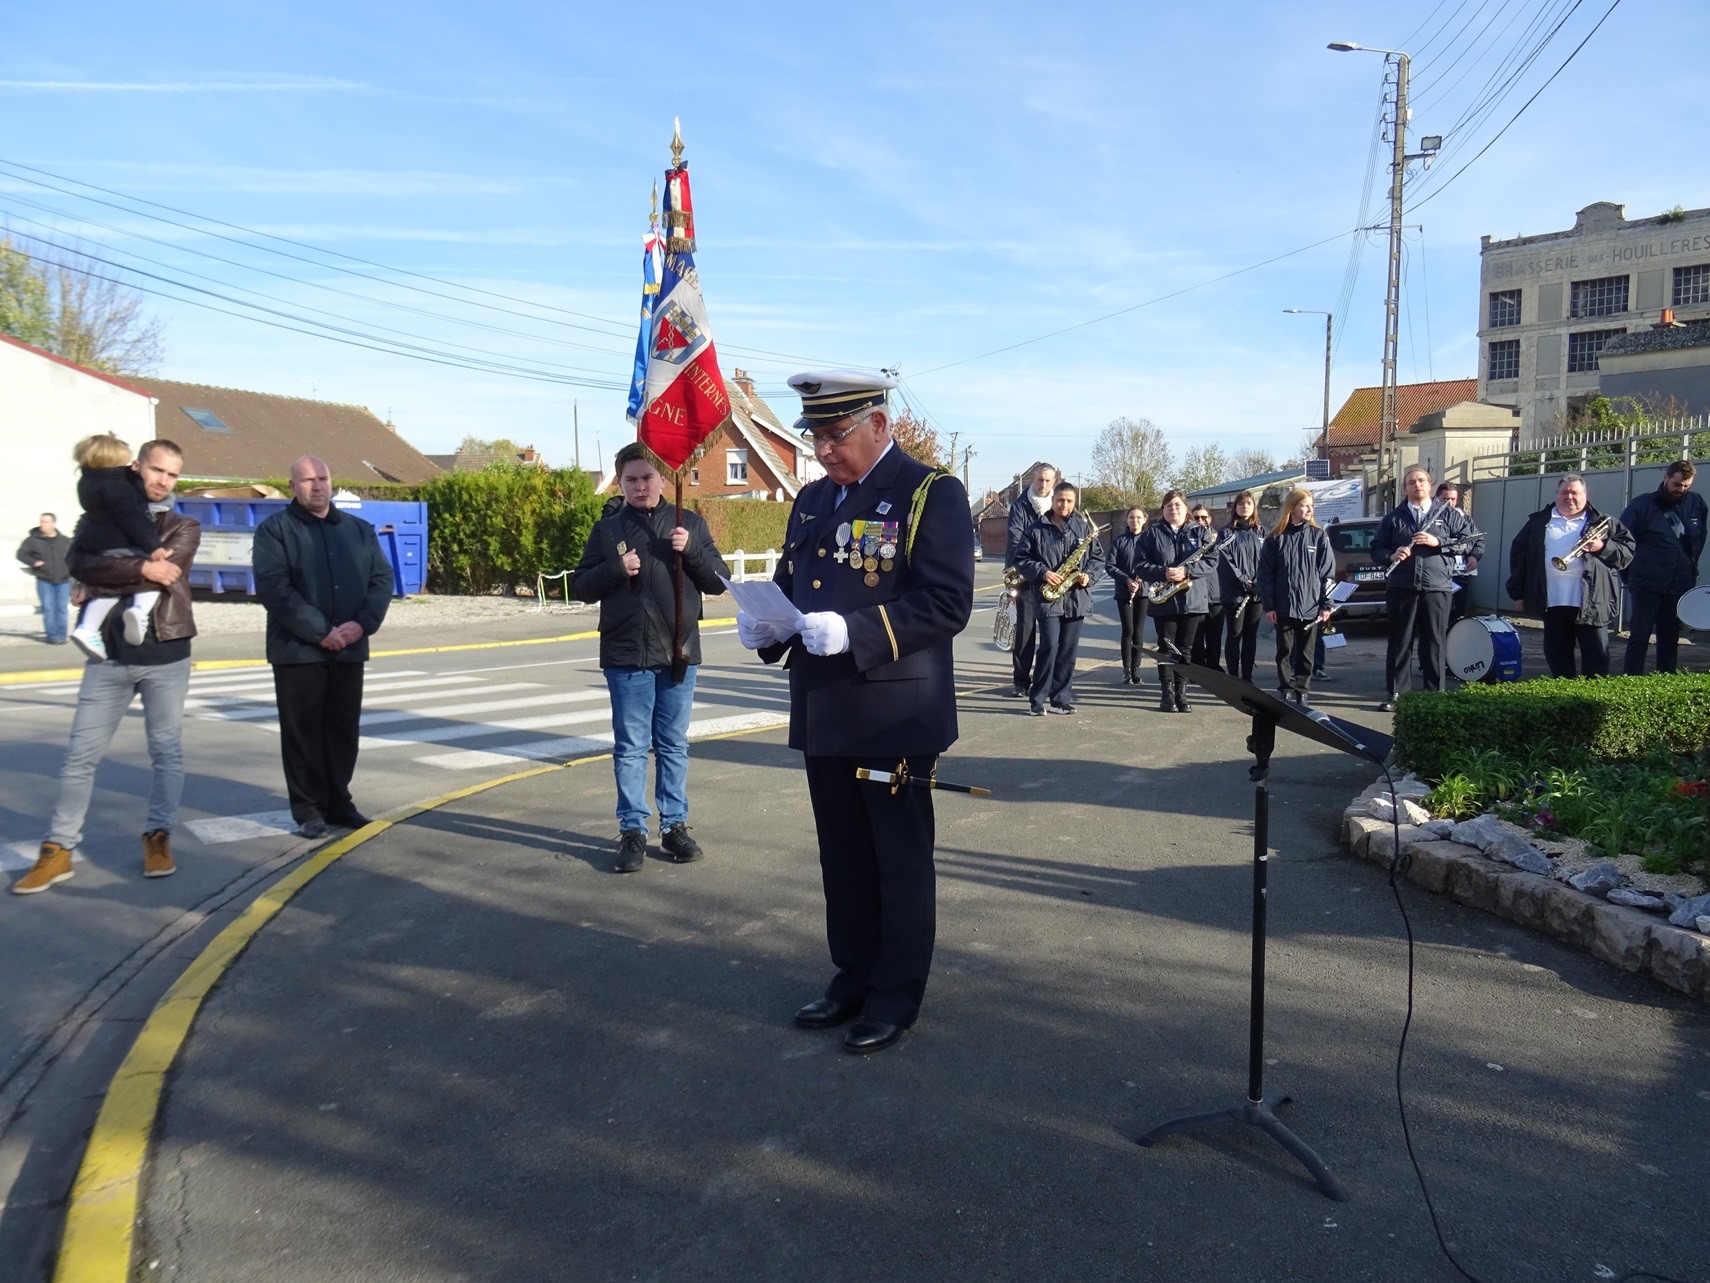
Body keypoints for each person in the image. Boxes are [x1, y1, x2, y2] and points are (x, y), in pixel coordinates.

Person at [736, 370, 973, 1055]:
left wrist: (857, 631)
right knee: (842, 855)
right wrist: (767, 627)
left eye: (835, 435)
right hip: (826, 709)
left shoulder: (931, 494)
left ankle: (896, 994)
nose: (822, 449)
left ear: (879, 424)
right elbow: (792, 584)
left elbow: (947, 601)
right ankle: (854, 975)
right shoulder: (811, 501)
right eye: (814, 435)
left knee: (896, 858)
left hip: (894, 713)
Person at [12, 440, 199, 894]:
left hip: (165, 654)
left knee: (166, 753)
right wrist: (112, 571)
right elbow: (76, 559)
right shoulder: (104, 509)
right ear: (137, 466)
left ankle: (158, 837)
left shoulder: (183, 525)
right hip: (105, 655)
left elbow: (165, 573)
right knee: (79, 756)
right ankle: (58, 850)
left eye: (173, 475)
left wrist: (95, 579)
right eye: (157, 470)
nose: (163, 481)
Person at [572, 442, 729, 872]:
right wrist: (615, 570)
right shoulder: (607, 530)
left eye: (647, 477)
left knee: (674, 745)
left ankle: (674, 826)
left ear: (663, 478)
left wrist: (691, 550)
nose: (640, 486)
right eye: (631, 480)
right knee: (630, 747)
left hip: (679, 651)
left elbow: (720, 583)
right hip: (626, 654)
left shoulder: (688, 523)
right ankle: (632, 831)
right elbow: (581, 585)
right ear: (620, 483)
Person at [253, 455, 395, 839]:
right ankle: (307, 809)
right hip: (297, 651)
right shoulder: (275, 531)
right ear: (292, 486)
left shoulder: (359, 530)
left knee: (342, 729)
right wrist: (319, 631)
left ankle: (339, 802)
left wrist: (360, 626)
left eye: (323, 478)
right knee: (302, 731)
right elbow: (274, 588)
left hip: (349, 647)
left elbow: (382, 580)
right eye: (307, 480)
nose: (317, 485)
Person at [1505, 474, 1634, 678]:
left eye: (1575, 492)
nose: (1570, 496)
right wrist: (1517, 594)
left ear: (1585, 495)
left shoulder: (1604, 522)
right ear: (1556, 495)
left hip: (1592, 603)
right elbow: (1519, 558)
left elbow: (1626, 555)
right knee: (1558, 658)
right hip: (1552, 601)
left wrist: (1602, 547)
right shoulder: (1539, 522)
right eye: (1564, 492)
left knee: (1597, 659)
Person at [1372, 465, 1477, 711]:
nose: (1416, 485)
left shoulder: (1448, 514)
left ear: (1429, 485)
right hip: (1402, 587)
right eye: (1411, 482)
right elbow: (1376, 548)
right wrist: (1391, 554)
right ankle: (1397, 694)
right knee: (1400, 642)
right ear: (1405, 488)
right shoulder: (1393, 518)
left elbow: (1466, 542)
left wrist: (1438, 542)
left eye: (1421, 481)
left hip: (1437, 586)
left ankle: (1434, 695)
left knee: (1434, 642)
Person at [66, 434, 169, 661]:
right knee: (153, 580)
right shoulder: (117, 488)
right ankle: (139, 612)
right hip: (121, 542)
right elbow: (132, 517)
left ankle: (88, 628)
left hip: (98, 544)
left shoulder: (88, 481)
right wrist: (153, 545)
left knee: (108, 589)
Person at [1016, 480, 1104, 714]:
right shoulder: (1036, 528)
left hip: (1076, 597)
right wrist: (1043, 572)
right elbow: (1021, 560)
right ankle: (1037, 700)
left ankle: (1060, 699)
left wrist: (1089, 575)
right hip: (1048, 598)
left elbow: (1097, 559)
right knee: (1049, 647)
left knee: (1068, 651)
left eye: (1069, 501)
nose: (1064, 504)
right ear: (1052, 500)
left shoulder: (1083, 528)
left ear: (1074, 503)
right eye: (1060, 500)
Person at [1619, 460, 1707, 676]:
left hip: (1678, 584)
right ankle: (1631, 682)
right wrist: (1629, 578)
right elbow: (1622, 542)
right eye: (1677, 485)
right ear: (1665, 478)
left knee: (1669, 638)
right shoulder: (1641, 505)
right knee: (1639, 636)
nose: (1682, 490)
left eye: (1687, 486)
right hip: (1646, 584)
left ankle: (1665, 680)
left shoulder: (1696, 502)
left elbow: (1699, 539)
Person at [1136, 489, 1215, 713]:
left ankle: (1182, 694)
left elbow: (1211, 561)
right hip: (1164, 601)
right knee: (1166, 648)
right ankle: (1166, 694)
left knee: (1186, 649)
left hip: (1192, 600)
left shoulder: (1200, 532)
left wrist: (1187, 571)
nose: (1173, 509)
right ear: (1163, 509)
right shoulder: (1151, 534)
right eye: (1169, 505)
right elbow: (1140, 564)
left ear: (1185, 508)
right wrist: (1163, 572)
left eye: (1178, 505)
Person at [1258, 489, 1336, 704]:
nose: (1310, 509)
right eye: (1304, 505)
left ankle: (1302, 690)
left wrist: (1326, 604)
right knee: (1284, 651)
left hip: (1311, 607)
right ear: (1292, 508)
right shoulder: (1275, 538)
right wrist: (1269, 605)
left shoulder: (1319, 536)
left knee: (1306, 652)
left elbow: (1327, 573)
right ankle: (1285, 689)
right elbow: (1265, 575)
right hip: (1284, 606)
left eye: (1312, 505)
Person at [1004, 463, 1057, 697]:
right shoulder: (1019, 506)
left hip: (1052, 578)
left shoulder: (1060, 505)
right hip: (1026, 576)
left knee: (1051, 631)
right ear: (1032, 481)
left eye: (1047, 481)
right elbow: (1017, 542)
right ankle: (1021, 681)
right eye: (1039, 480)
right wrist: (1039, 567)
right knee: (1025, 630)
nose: (1043, 484)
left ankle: (1046, 679)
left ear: (1053, 482)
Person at [1215, 491, 1263, 682]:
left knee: (1251, 636)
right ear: (1235, 507)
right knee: (1235, 634)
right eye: (1241, 504)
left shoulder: (1261, 531)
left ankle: (1247, 677)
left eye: (1249, 504)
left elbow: (1267, 559)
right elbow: (1226, 561)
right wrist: (1244, 581)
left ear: (1254, 507)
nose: (1245, 507)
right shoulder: (1226, 533)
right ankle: (1233, 677)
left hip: (1257, 593)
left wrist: (1258, 582)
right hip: (1235, 592)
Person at [1107, 505, 1151, 685]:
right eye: (1132, 517)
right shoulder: (1120, 541)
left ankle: (1136, 670)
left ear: (1145, 519)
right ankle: (1126, 671)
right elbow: (1110, 565)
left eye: (1138, 517)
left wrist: (1144, 575)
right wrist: (1126, 579)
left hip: (1143, 591)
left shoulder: (1150, 540)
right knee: (1128, 631)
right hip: (1124, 591)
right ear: (1127, 520)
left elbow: (1155, 562)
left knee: (1138, 632)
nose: (1135, 521)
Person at [16, 512, 72, 644]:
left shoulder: (65, 541)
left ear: (53, 523)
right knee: (48, 607)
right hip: (44, 579)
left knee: (62, 608)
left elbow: (74, 556)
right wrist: (34, 562)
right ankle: (52, 636)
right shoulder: (32, 541)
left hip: (63, 580)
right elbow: (21, 554)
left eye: (45, 522)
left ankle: (62, 635)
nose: (42, 524)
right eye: (41, 522)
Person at [1435, 481, 1485, 626]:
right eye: (1446, 499)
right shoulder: (1431, 518)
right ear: (1437, 498)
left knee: (1459, 615)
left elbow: (1479, 540)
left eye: (1453, 499)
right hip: (1439, 575)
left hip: (1462, 574)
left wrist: (1474, 556)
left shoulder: (1465, 518)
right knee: (1440, 615)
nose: (1449, 502)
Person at [1188, 505, 1225, 671]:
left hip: (1216, 593)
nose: (1201, 521)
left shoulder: (1220, 538)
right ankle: (1198, 667)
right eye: (1196, 517)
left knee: (1214, 635)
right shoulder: (1188, 538)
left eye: (1204, 517)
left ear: (1210, 519)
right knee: (1196, 636)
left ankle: (1213, 666)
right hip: (1196, 594)